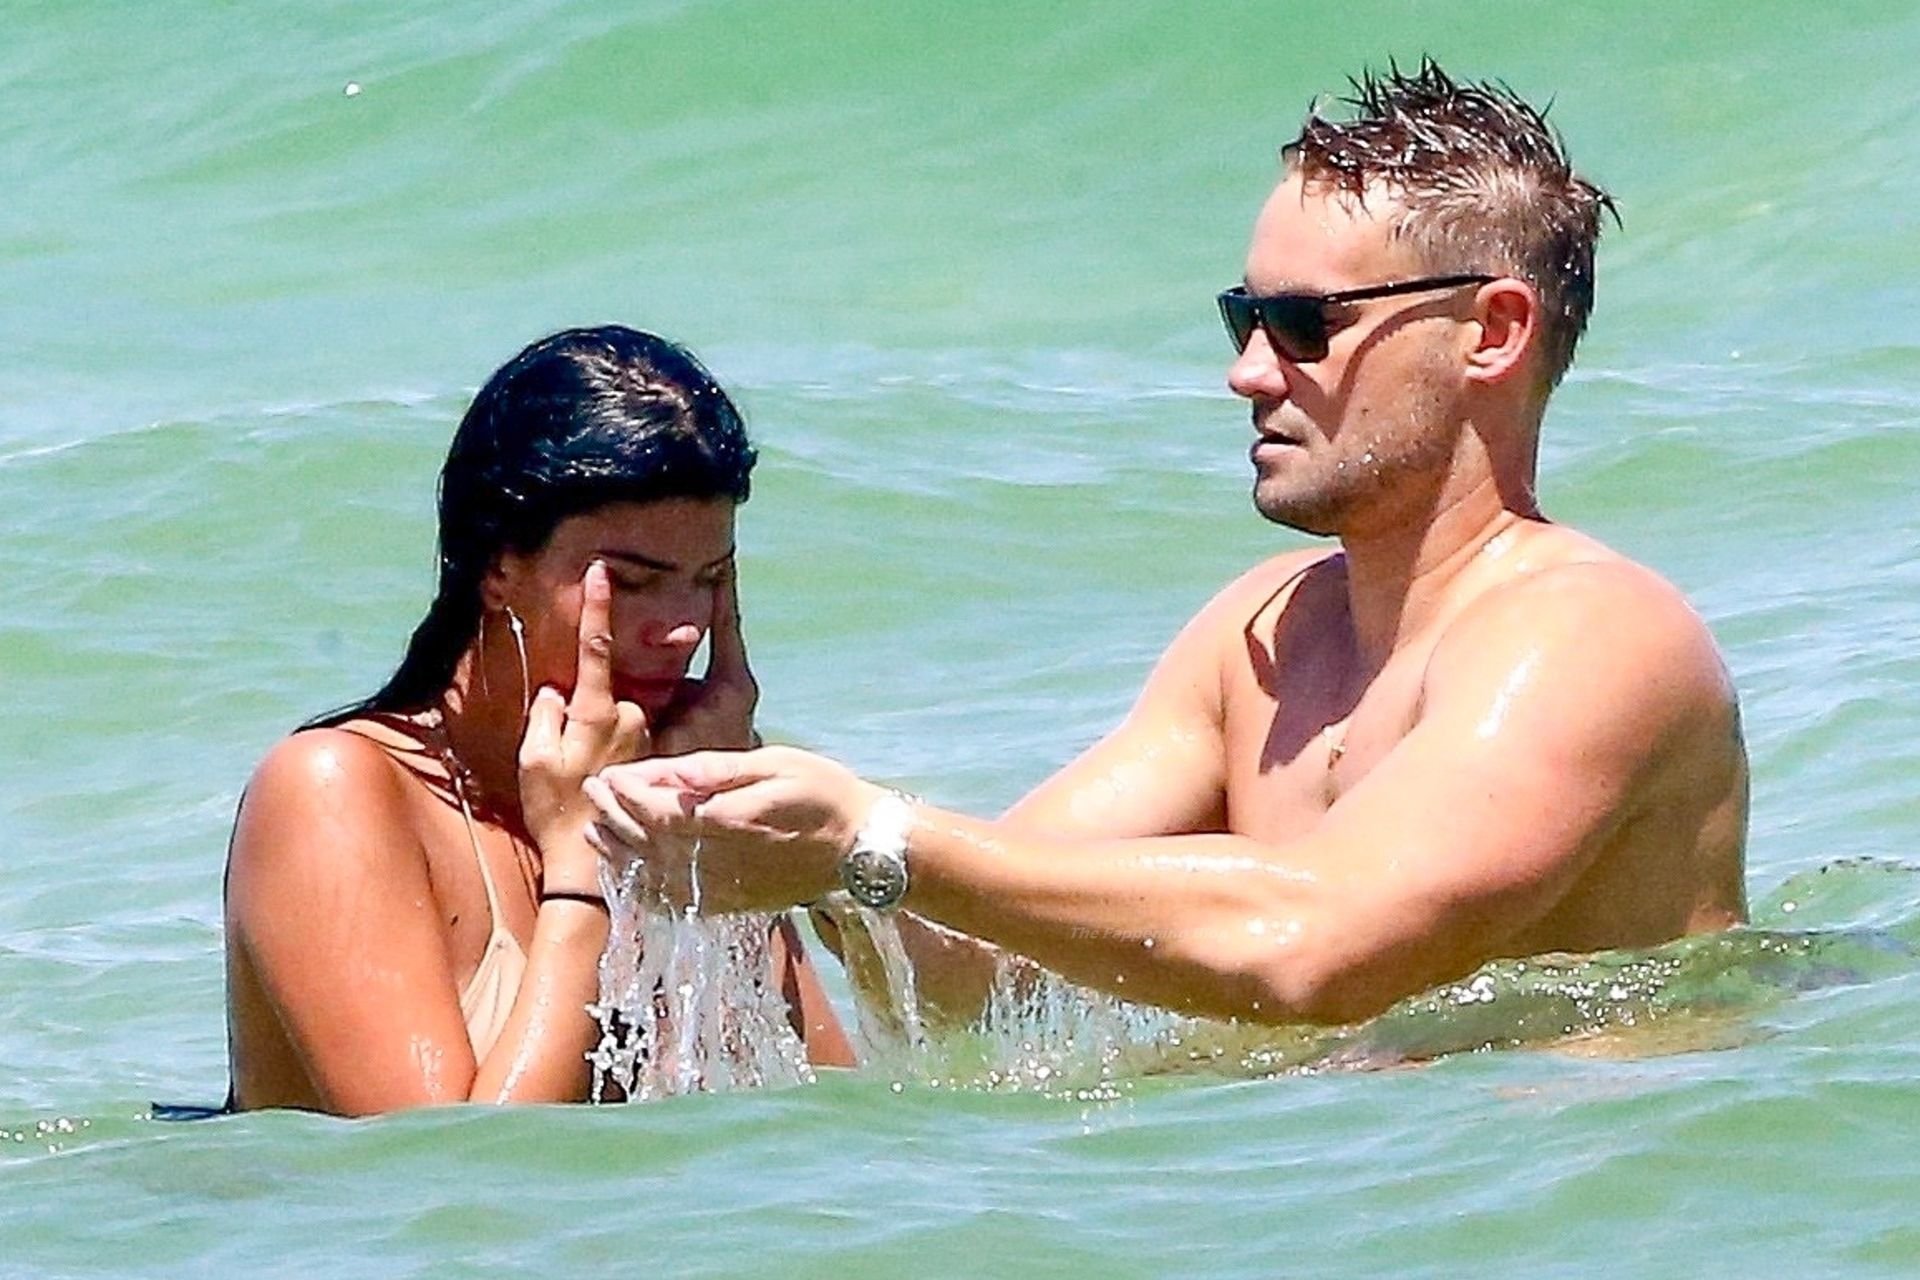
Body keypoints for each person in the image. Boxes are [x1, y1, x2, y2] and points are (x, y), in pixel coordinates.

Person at [586, 61, 1750, 1027]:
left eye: (1303, 324)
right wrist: (748, 796)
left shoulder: (1590, 636)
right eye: (1245, 318)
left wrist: (873, 834)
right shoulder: (1263, 638)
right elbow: (970, 969)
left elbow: (1318, 947)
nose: (1249, 371)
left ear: (1491, 332)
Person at [224, 326, 853, 1115]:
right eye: (631, 583)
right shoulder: (332, 790)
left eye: (709, 580)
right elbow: (454, 1171)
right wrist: (584, 860)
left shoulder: (663, 787)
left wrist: (709, 858)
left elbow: (820, 1123)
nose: (683, 629)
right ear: (498, 566)